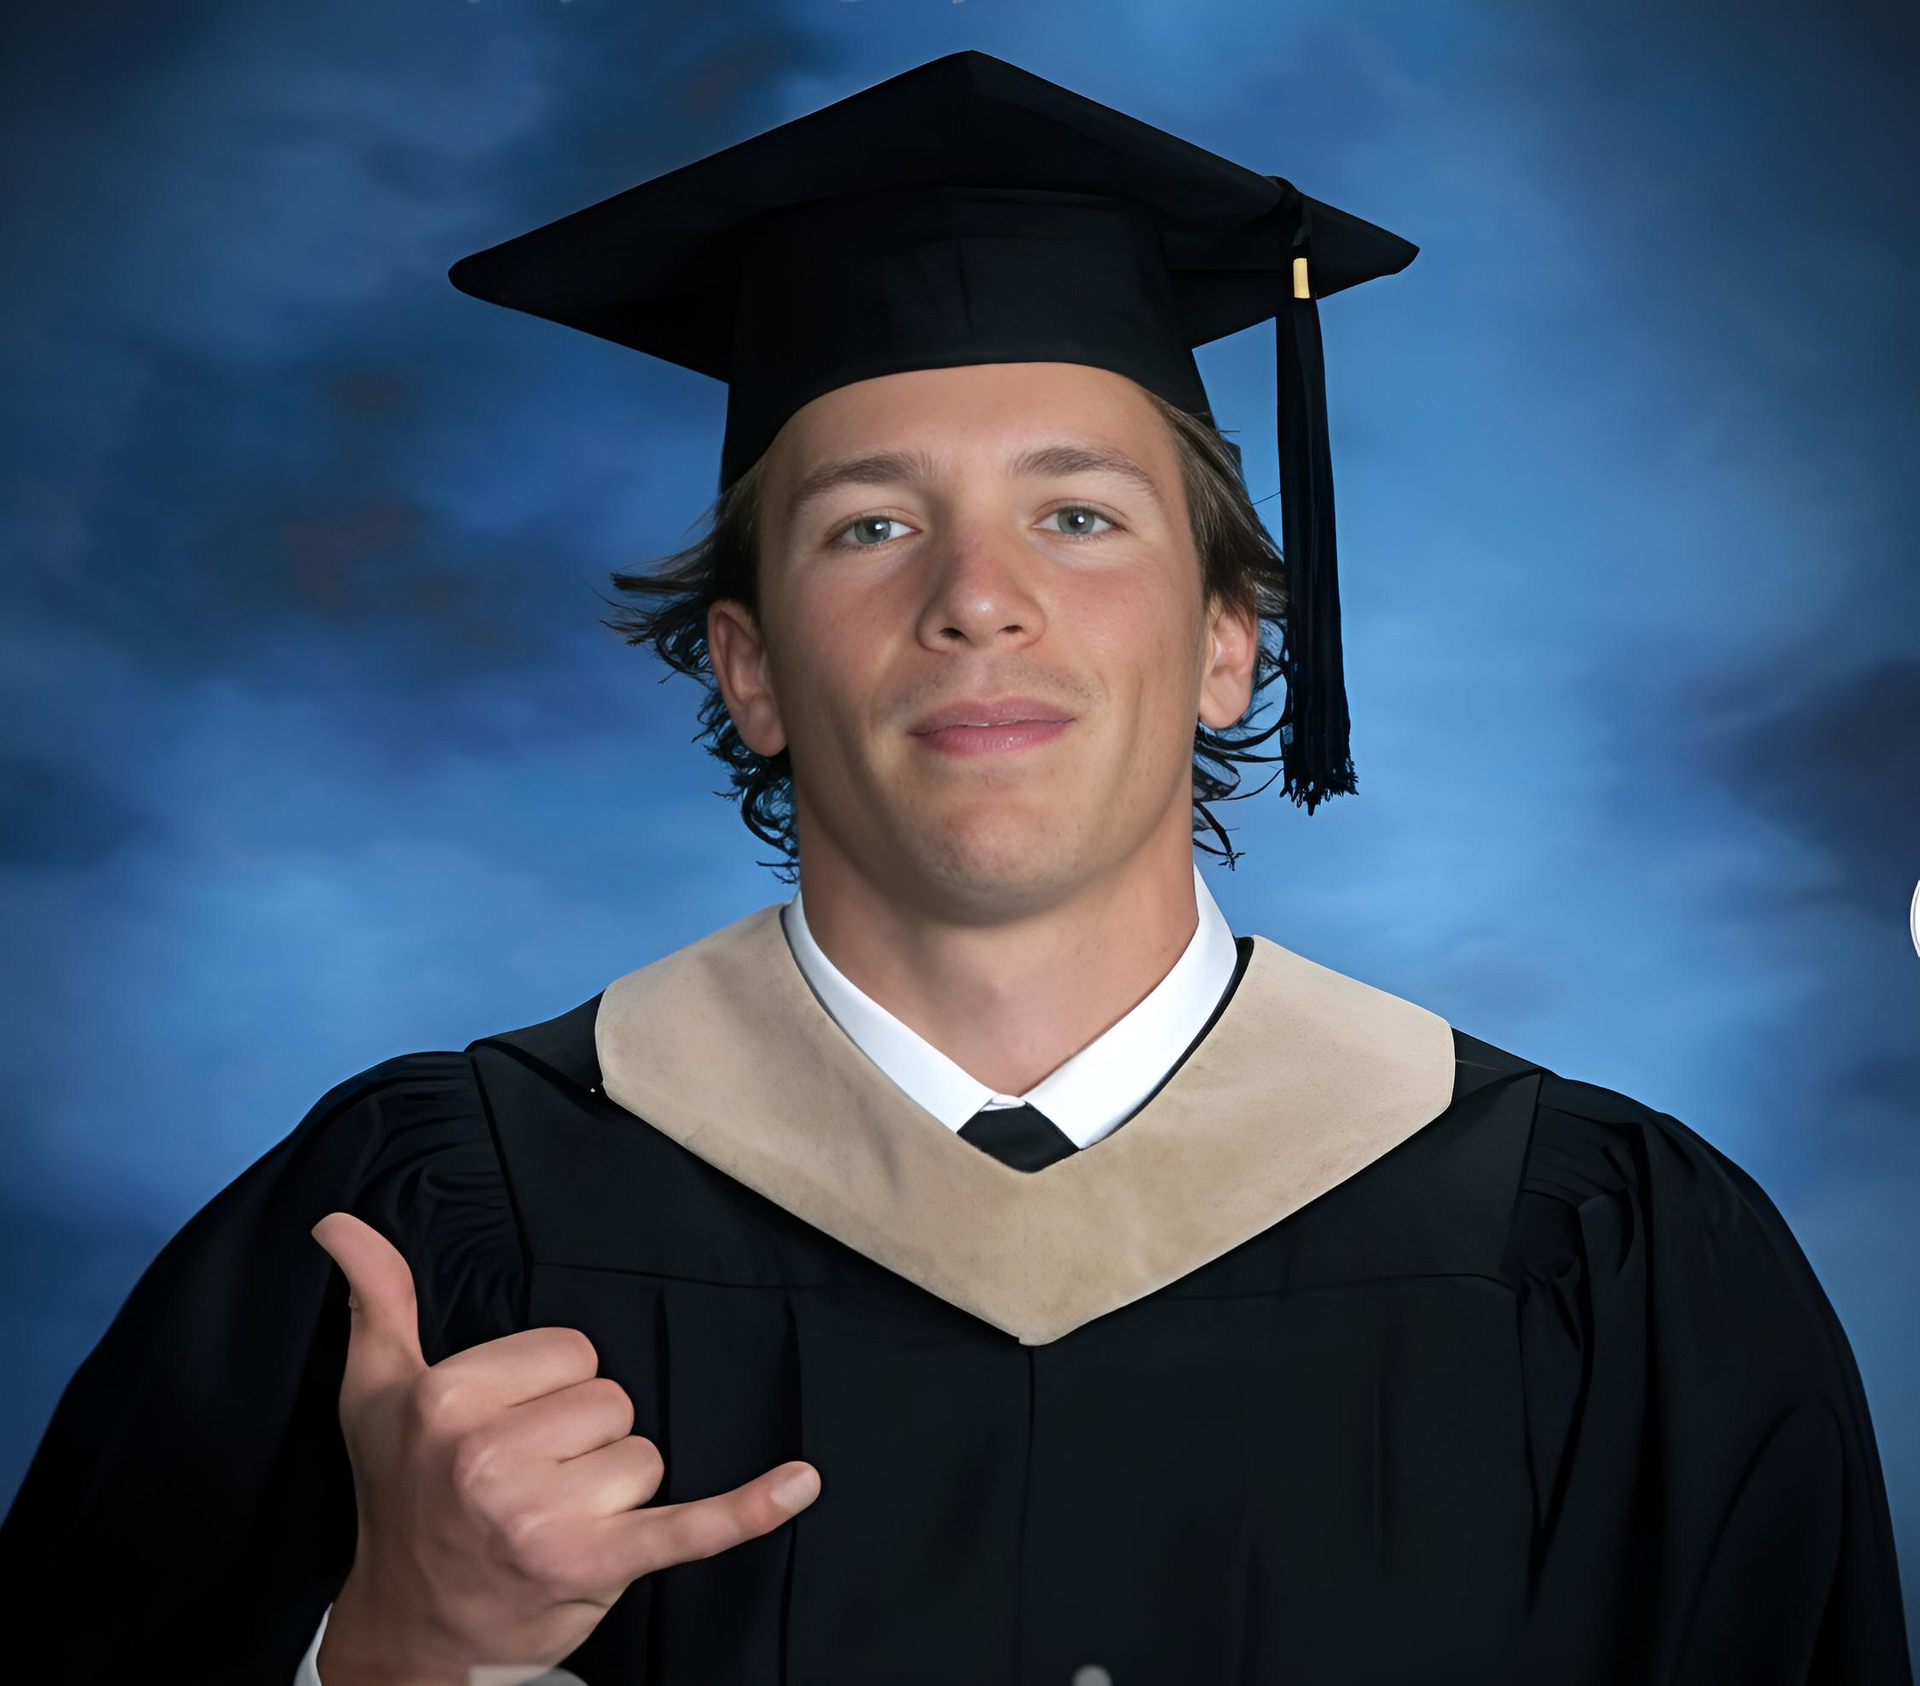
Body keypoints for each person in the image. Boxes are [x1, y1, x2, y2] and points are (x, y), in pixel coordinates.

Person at [1, 48, 1910, 1686]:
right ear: (745, 666)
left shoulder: (1604, 1255)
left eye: (1077, 515)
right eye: (866, 527)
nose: (977, 600)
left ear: (1238, 638)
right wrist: (398, 1648)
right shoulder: (426, 1228)